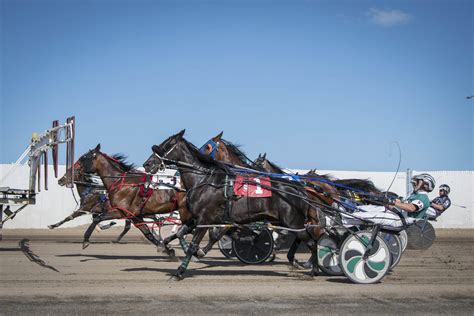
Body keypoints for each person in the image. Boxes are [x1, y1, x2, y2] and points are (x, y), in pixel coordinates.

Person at [344, 173, 436, 227]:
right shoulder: (414, 195)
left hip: (398, 219)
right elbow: (401, 203)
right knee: (366, 208)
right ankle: (344, 216)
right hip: (395, 214)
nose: (414, 183)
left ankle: (343, 220)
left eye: (418, 181)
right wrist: (386, 201)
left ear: (425, 185)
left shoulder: (423, 198)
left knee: (366, 216)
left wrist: (394, 202)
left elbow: (411, 208)